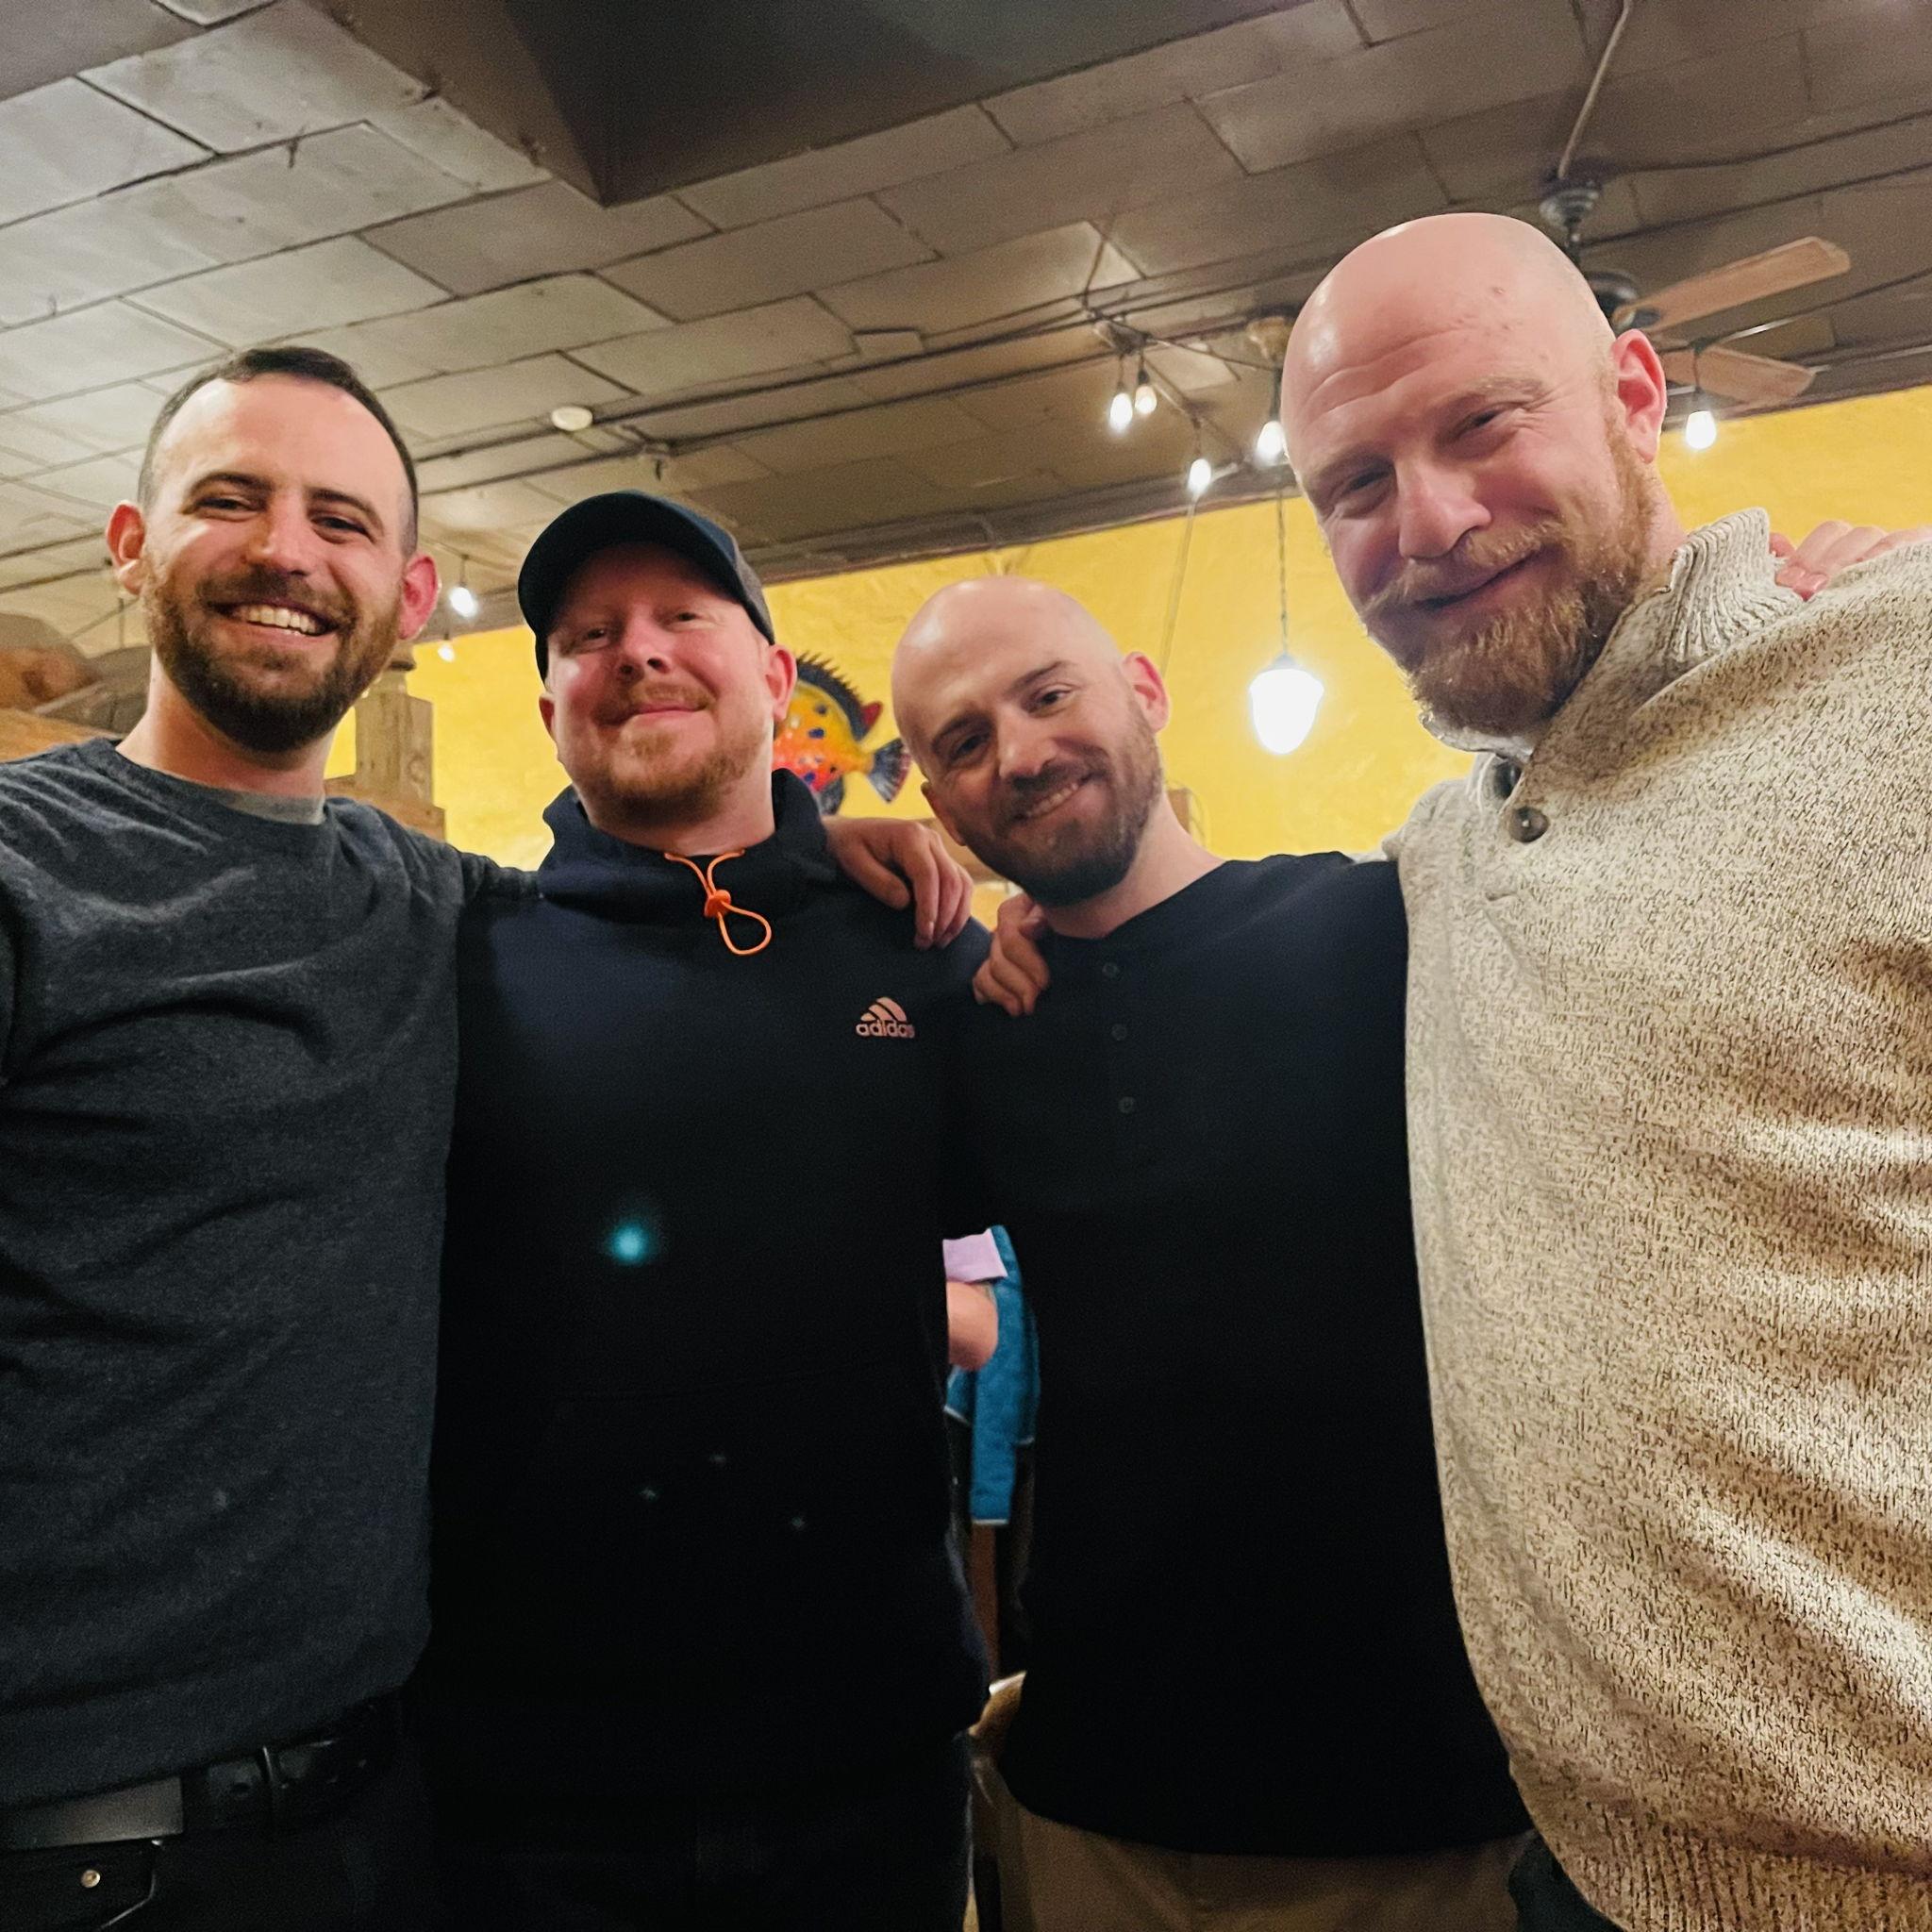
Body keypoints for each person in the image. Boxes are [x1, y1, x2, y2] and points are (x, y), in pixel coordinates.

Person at [985, 209, 1932, 1931]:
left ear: (1636, 396)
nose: (1425, 523)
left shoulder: (1897, 675)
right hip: (1570, 1866)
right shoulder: (1442, 861)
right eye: (1355, 483)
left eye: (1484, 422)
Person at [0, 356, 968, 1932]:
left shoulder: (426, 901)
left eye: (340, 518)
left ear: (404, 593)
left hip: (381, 1814)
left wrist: (827, 860)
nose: (286, 550)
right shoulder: (36, 873)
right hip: (88, 1839)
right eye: (231, 500)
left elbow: (661, 899)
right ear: (129, 543)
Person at [891, 575, 1530, 1932]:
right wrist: (836, 849)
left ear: (1145, 692)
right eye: (964, 741)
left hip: (1414, 1793)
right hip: (1096, 1788)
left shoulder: (1378, 929)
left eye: (1048, 695)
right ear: (941, 806)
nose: (1020, 753)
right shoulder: (989, 1032)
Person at [423, 492, 988, 1932]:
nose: (639, 651)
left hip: (868, 1766)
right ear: (548, 705)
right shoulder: (456, 960)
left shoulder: (922, 947)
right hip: (531, 1790)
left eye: (684, 616)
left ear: (776, 677)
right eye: (590, 635)